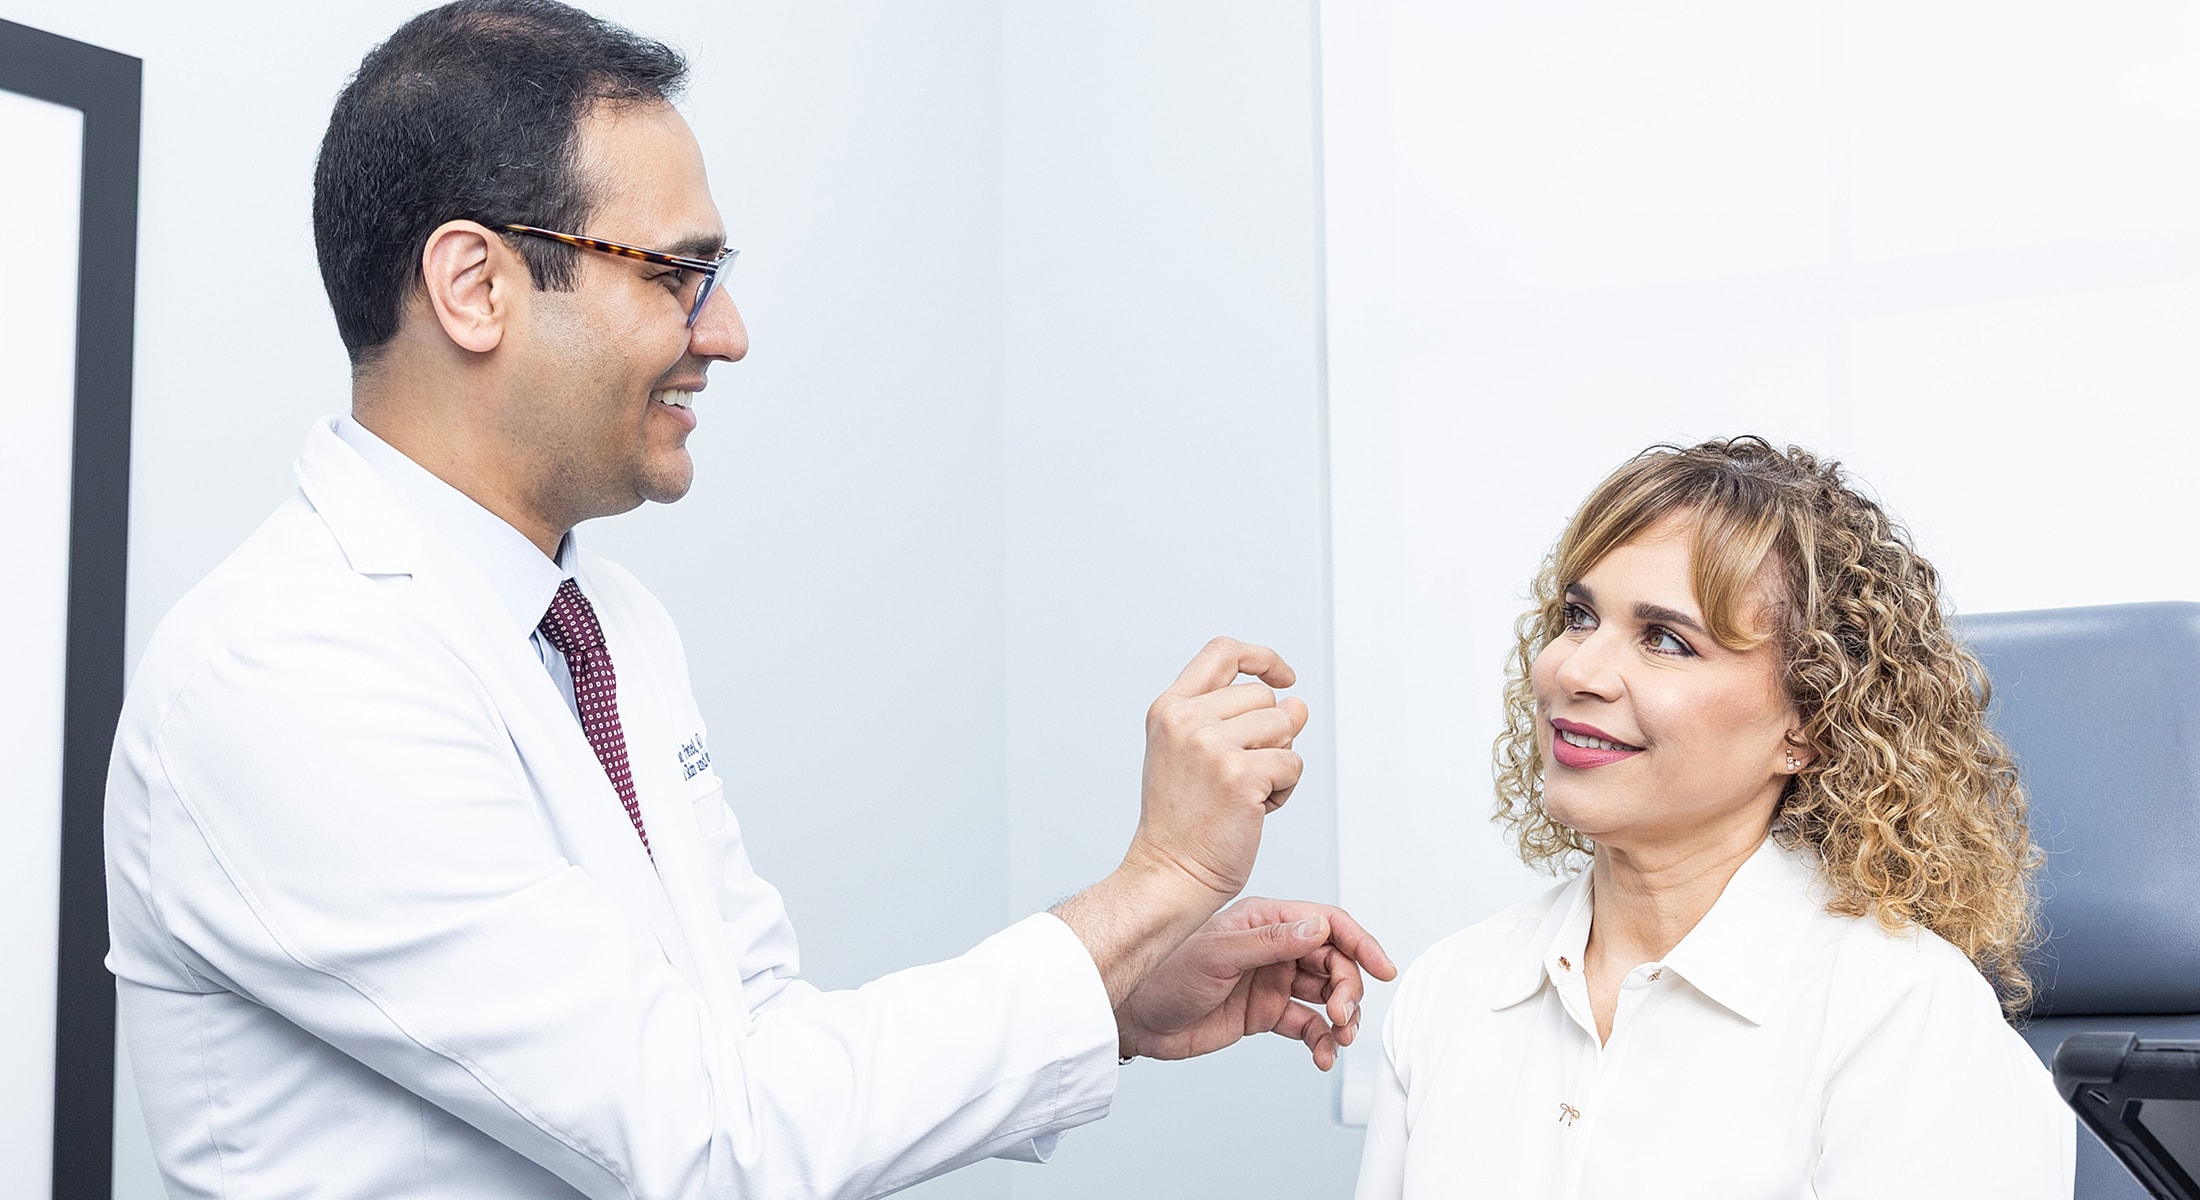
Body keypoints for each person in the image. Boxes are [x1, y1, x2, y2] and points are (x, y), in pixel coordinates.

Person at [102, 3, 1392, 1196]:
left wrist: (1111, 995)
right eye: (675, 274)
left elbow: (757, 1043)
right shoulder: (289, 672)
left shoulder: (602, 628)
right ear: (476, 287)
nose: (725, 333)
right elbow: (712, 1138)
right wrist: (1158, 883)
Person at [1352, 437, 2075, 1198]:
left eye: (1665, 640)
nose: (1576, 670)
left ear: (1809, 723)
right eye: (1579, 616)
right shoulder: (1449, 990)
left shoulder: (1902, 1015)